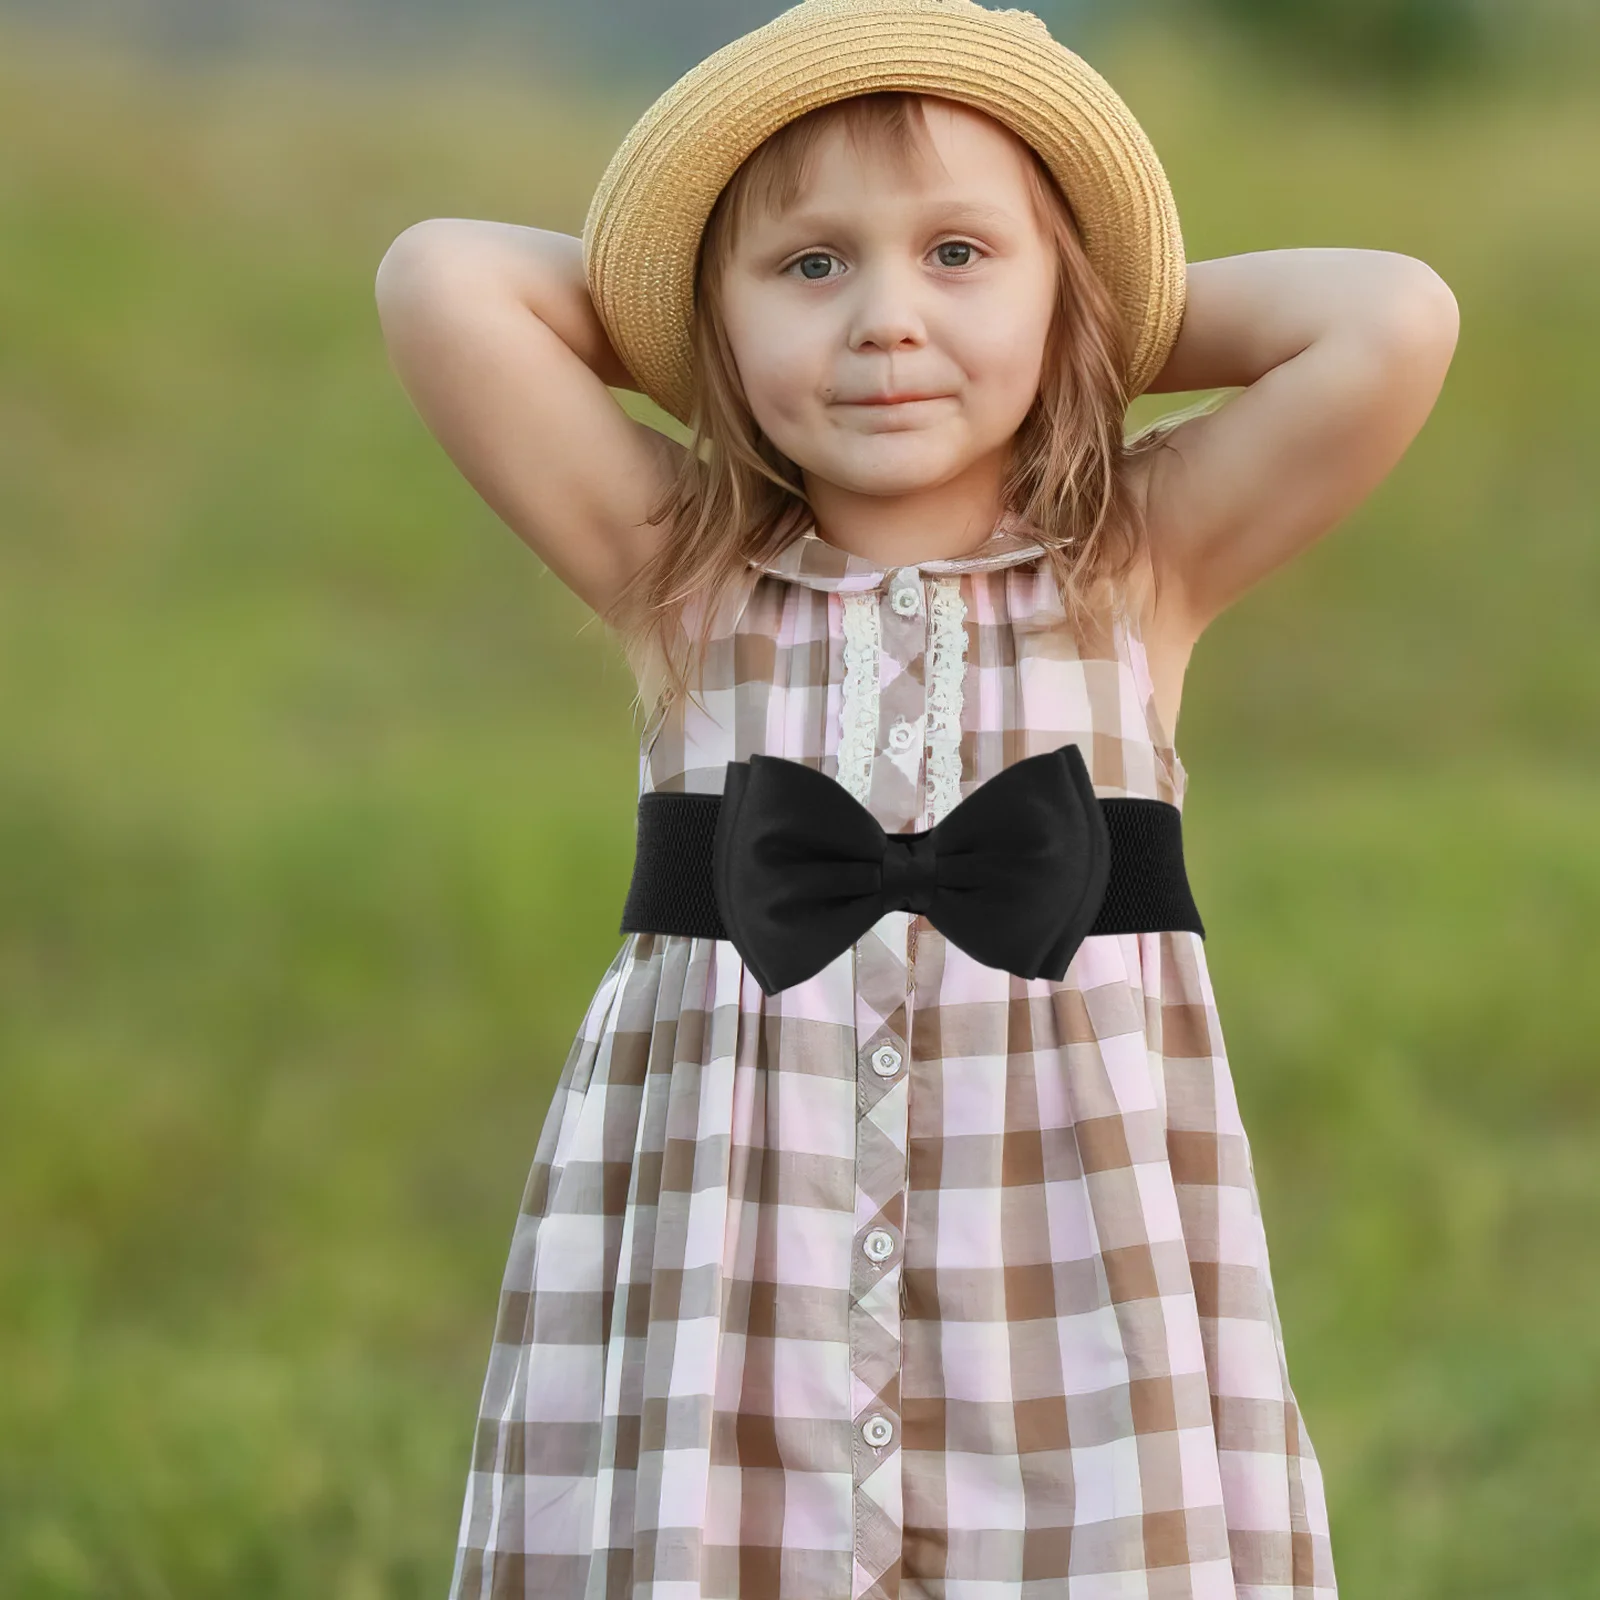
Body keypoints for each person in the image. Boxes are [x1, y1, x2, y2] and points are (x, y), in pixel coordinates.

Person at [375, 2, 1458, 1595]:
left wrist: (1080, 320)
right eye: (812, 266)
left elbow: (1393, 316)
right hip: (746, 1269)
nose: (887, 320)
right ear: (721, 322)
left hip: (1063, 1288)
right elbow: (440, 279)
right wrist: (708, 320)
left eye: (959, 253)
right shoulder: (682, 579)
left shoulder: (1136, 569)